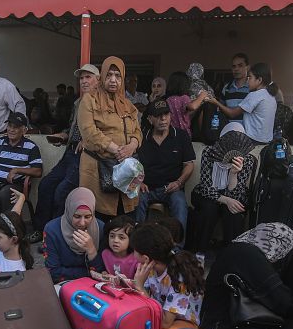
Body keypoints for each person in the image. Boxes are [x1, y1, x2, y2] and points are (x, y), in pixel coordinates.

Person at [32, 63, 99, 240]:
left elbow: (105, 130)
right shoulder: (78, 102)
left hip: (85, 156)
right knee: (46, 184)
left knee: (62, 191)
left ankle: (57, 236)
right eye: (82, 78)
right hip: (70, 152)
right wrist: (63, 135)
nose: (84, 81)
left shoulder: (101, 102)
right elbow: (74, 128)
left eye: (88, 77)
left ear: (98, 81)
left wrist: (88, 139)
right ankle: (41, 230)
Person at [77, 56, 143, 221]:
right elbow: (89, 132)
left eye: (118, 76)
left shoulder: (128, 105)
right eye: (109, 75)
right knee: (100, 216)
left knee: (125, 215)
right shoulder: (90, 100)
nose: (113, 80)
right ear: (102, 77)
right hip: (98, 167)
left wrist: (132, 146)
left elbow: (137, 130)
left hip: (125, 168)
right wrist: (117, 150)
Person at [189, 130, 257, 253]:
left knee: (234, 212)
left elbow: (236, 194)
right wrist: (225, 200)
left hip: (233, 194)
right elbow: (206, 186)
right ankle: (200, 252)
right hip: (207, 193)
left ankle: (231, 254)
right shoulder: (209, 152)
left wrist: (233, 174)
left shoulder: (247, 159)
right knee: (209, 209)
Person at [134, 98, 195, 231]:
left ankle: (177, 244)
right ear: (150, 119)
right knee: (134, 201)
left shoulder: (181, 136)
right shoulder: (142, 137)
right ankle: (136, 240)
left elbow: (189, 165)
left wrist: (179, 182)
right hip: (146, 188)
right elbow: (132, 164)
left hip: (172, 188)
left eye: (166, 114)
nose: (163, 119)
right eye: (158, 115)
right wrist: (138, 182)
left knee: (180, 205)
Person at [131, 222, 205, 329]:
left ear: (146, 258)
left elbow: (165, 323)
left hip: (183, 323)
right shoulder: (150, 267)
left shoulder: (179, 278)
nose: (133, 253)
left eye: (134, 250)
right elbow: (142, 295)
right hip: (161, 313)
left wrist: (140, 287)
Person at [0, 111, 42, 215]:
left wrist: (17, 170)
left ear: (24, 130)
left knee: (5, 194)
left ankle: (4, 224)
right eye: (9, 126)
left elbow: (38, 171)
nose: (11, 130)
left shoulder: (31, 147)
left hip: (14, 185)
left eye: (15, 127)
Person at [43, 187, 105, 283]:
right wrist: (88, 273)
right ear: (69, 211)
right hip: (64, 284)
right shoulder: (52, 230)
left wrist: (91, 250)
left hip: (94, 284)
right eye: (77, 216)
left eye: (88, 216)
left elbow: (102, 271)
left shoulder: (100, 228)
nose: (82, 223)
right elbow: (53, 272)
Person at [211, 62, 278, 144]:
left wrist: (215, 102)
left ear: (259, 80)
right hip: (267, 140)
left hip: (253, 140)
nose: (247, 81)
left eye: (250, 77)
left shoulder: (255, 95)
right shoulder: (271, 96)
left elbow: (232, 114)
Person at [0, 191, 33, 276]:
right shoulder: (2, 247)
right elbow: (14, 215)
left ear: (14, 239)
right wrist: (21, 198)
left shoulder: (17, 273)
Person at [165, 71, 207, 138]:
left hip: (171, 133)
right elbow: (193, 107)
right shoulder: (184, 98)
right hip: (183, 134)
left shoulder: (168, 99)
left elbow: (183, 113)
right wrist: (202, 96)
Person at [101, 215, 138, 279]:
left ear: (131, 239)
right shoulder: (105, 254)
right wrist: (104, 273)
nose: (115, 240)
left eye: (121, 237)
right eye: (112, 236)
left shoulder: (136, 258)